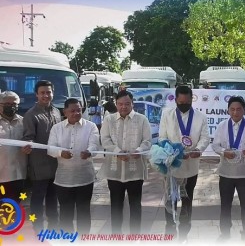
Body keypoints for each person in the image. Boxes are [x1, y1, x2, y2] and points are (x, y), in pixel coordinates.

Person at [158, 85, 210, 242]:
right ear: (175, 100)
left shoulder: (200, 117)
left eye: (187, 102)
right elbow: (161, 137)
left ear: (191, 99)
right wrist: (172, 149)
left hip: (191, 165)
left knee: (187, 198)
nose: (183, 105)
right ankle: (170, 228)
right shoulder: (167, 115)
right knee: (170, 198)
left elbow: (205, 138)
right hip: (172, 165)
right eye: (180, 102)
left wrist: (198, 150)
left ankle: (185, 231)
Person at [99, 90, 152, 234]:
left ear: (132, 104)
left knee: (135, 206)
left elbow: (147, 141)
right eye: (120, 104)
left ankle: (134, 238)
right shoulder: (109, 120)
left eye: (127, 104)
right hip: (114, 171)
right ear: (116, 104)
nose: (123, 107)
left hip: (135, 171)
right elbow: (104, 140)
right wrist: (117, 151)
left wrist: (139, 150)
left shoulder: (142, 119)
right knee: (116, 206)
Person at [47, 98, 99, 234]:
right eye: (72, 111)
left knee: (84, 214)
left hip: (85, 179)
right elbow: (50, 149)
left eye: (79, 110)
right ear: (65, 112)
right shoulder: (57, 128)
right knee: (65, 215)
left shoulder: (91, 126)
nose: (76, 113)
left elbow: (94, 145)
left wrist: (89, 152)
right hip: (64, 180)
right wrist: (60, 153)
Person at [212, 96, 245, 241]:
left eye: (239, 109)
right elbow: (215, 145)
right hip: (226, 173)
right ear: (228, 110)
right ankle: (225, 232)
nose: (235, 112)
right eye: (232, 109)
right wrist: (223, 152)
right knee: (225, 205)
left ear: (244, 110)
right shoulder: (221, 126)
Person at [23, 80, 61, 232]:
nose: (46, 95)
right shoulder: (31, 115)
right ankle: (37, 229)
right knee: (38, 200)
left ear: (52, 93)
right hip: (39, 167)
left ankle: (53, 228)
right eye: (42, 93)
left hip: (56, 165)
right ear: (36, 95)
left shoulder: (57, 111)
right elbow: (28, 137)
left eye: (48, 92)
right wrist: (28, 144)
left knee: (53, 199)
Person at [0, 91, 31, 203]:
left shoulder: (23, 122)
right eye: (7, 104)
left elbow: (29, 140)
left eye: (13, 104)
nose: (10, 107)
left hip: (18, 174)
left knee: (14, 207)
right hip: (1, 173)